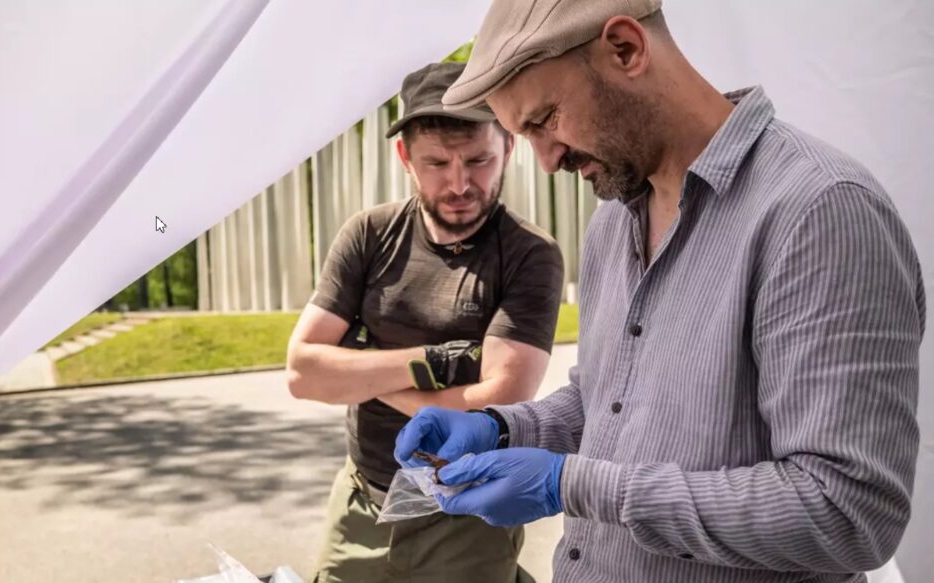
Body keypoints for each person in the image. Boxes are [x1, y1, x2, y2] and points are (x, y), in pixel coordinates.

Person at [394, 1, 927, 582]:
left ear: (625, 49)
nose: (547, 161)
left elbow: (847, 513)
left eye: (546, 117)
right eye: (526, 134)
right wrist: (504, 428)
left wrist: (569, 484)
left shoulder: (818, 213)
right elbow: (610, 405)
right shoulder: (614, 224)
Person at [285, 61, 564, 582]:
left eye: (478, 160)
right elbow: (302, 373)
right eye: (437, 163)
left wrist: (362, 371)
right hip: (362, 501)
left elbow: (496, 402)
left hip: (465, 510)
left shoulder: (530, 255)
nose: (460, 184)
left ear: (508, 146)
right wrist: (431, 363)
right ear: (405, 158)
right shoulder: (368, 235)